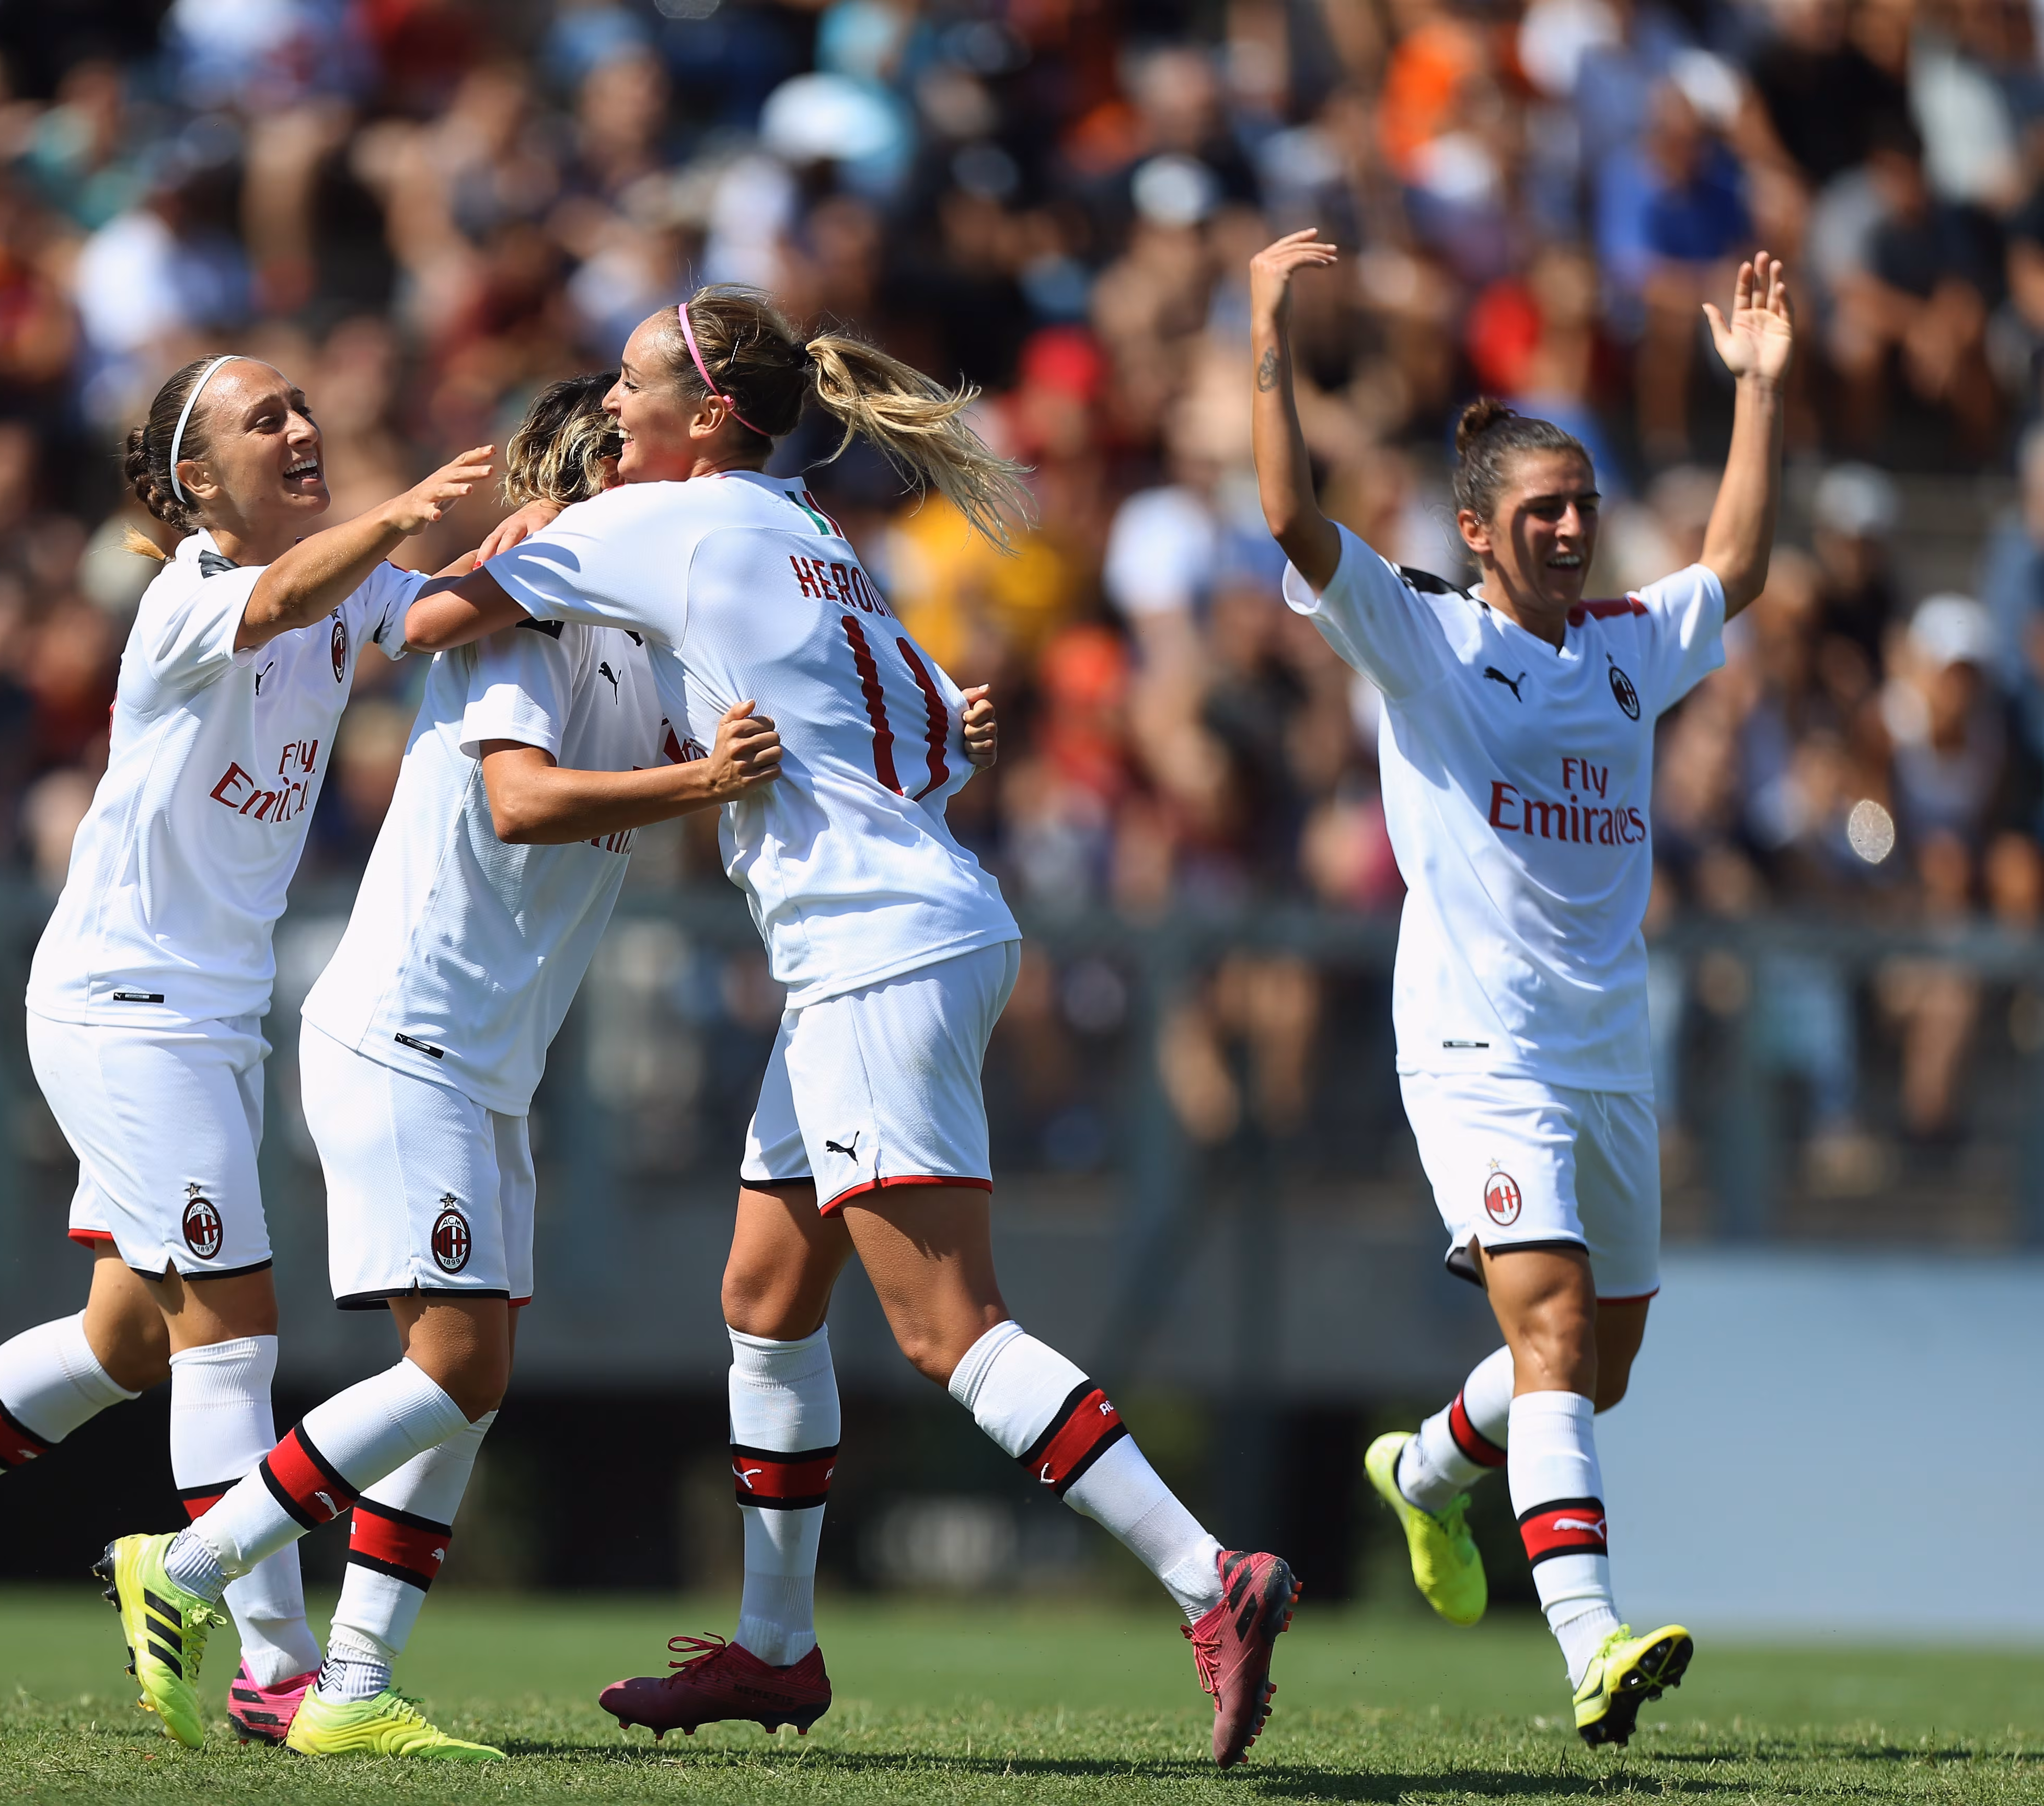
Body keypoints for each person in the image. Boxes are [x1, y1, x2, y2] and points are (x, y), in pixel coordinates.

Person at [366, 286, 1300, 1768]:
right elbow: (940, 732)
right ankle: (777, 1647)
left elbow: (420, 624)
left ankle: (1210, 1578)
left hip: (873, 949)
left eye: (632, 386)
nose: (611, 406)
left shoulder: (658, 519)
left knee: (948, 1328)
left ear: (705, 415)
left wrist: (508, 537)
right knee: (763, 1295)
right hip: (920, 924)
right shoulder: (816, 533)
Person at [0, 354, 493, 1738]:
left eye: (302, 405)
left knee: (125, 1337)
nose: (302, 426)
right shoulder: (188, 600)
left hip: (205, 1015)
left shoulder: (342, 583)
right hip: (129, 1010)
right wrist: (403, 513)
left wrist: (556, 546)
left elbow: (440, 613)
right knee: (231, 1333)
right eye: (266, 419)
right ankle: (277, 1671)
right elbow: (289, 601)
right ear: (197, 482)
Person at [1248, 229, 1791, 1744]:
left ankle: (1425, 1469)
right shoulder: (1423, 636)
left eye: (1584, 508)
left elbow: (1738, 567)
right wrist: (1267, 333)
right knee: (1551, 1335)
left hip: (1610, 1052)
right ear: (1479, 531)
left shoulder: (1624, 649)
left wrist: (1755, 389)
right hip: (1479, 1050)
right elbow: (1288, 511)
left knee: (1597, 1370)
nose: (1570, 530)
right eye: (1542, 511)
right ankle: (1592, 1645)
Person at [241, 373, 792, 1759]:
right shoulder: (528, 606)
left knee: (463, 1393)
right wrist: (699, 784)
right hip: (406, 1036)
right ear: (593, 480)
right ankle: (191, 1562)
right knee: (460, 1372)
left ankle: (354, 1686)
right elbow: (520, 800)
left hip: (488, 1065)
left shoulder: (636, 644)